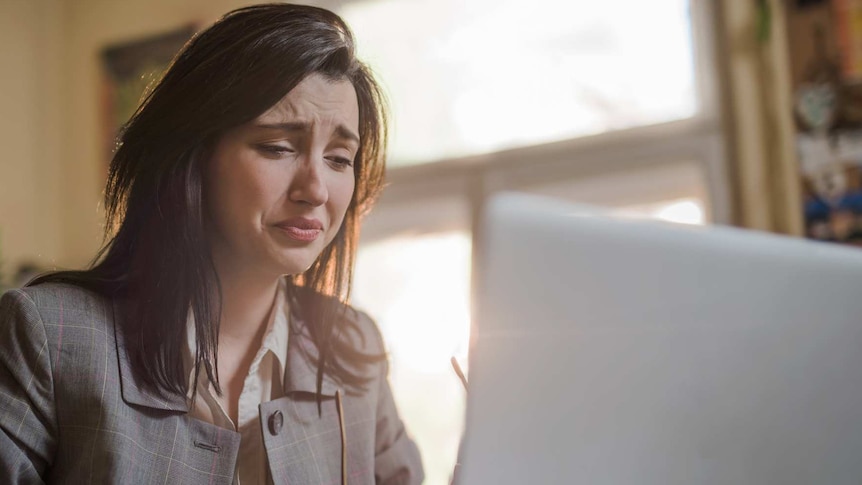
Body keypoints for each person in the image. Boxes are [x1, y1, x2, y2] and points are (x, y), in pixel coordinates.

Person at [0, 4, 423, 484]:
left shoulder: (353, 347)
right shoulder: (50, 337)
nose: (316, 189)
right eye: (277, 147)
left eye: (339, 158)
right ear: (192, 158)